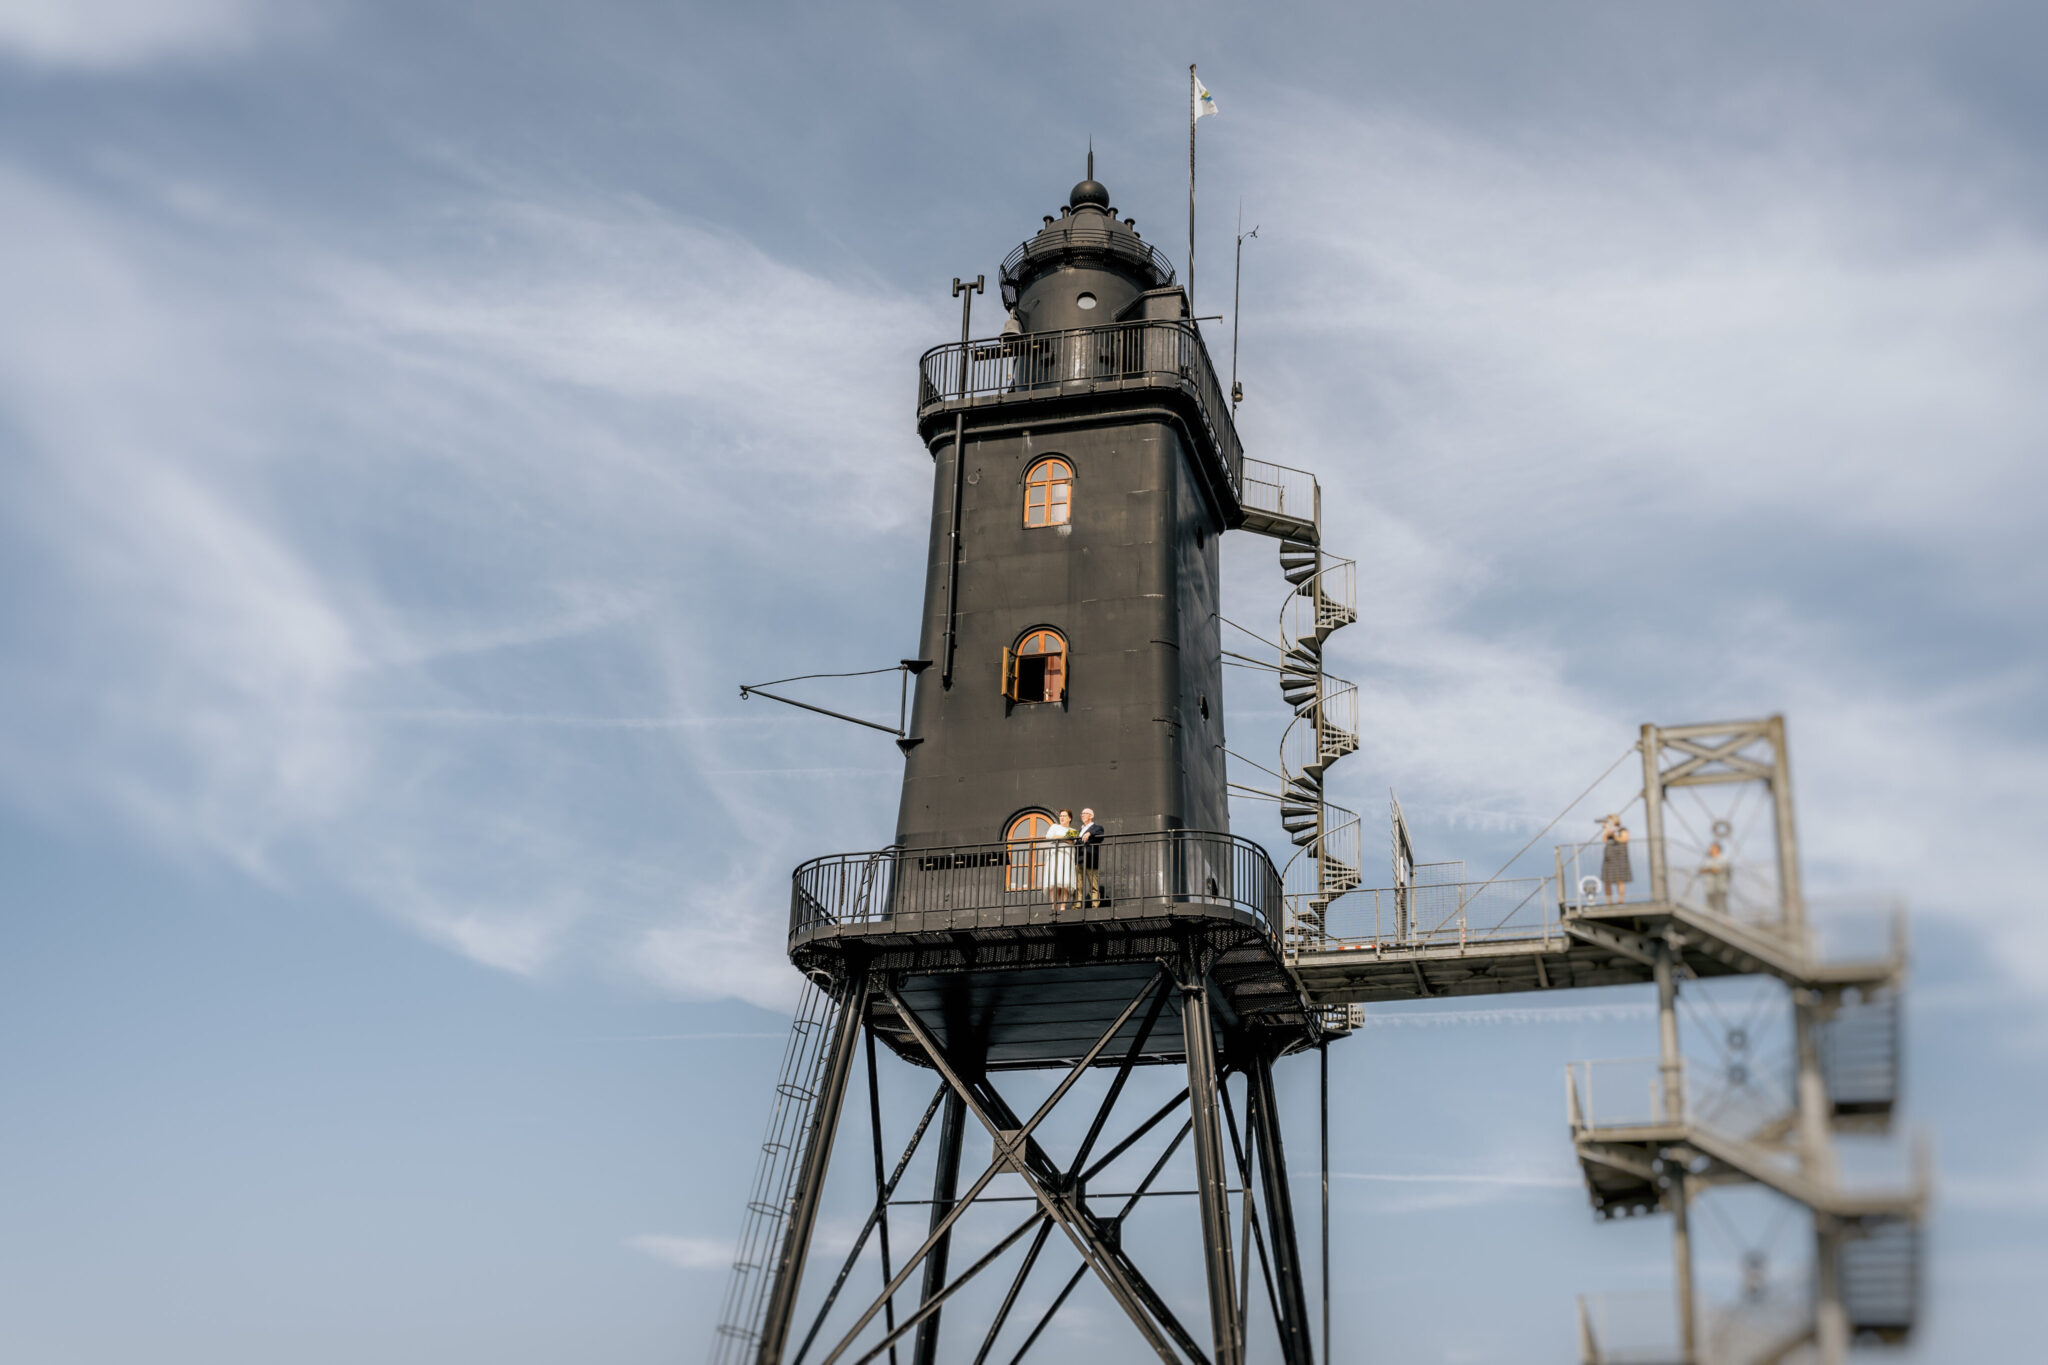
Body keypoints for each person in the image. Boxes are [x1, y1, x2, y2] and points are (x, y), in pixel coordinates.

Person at [1045, 808, 1080, 911]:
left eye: (1064, 816)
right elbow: (1049, 836)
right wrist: (1066, 839)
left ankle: (1063, 906)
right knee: (1054, 881)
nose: (1062, 818)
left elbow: (1073, 841)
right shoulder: (1054, 826)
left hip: (1067, 856)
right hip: (1055, 856)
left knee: (1065, 882)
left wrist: (1059, 837)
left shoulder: (1073, 831)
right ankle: (1054, 905)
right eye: (1060, 816)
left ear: (1069, 818)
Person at [1598, 814, 1632, 905]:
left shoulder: (1622, 830)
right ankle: (1608, 901)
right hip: (1609, 856)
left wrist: (1614, 835)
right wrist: (1606, 830)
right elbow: (1604, 840)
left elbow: (1624, 839)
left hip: (1620, 856)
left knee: (1620, 879)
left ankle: (1621, 900)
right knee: (1607, 880)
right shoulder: (1608, 830)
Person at [1076, 808, 1105, 907]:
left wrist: (1089, 833)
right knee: (1078, 885)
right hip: (1079, 859)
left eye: (1085, 813)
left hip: (1090, 859)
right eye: (1082, 813)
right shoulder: (1079, 830)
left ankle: (1095, 905)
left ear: (1091, 816)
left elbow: (1101, 834)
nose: (1082, 815)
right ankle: (1077, 905)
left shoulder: (1096, 827)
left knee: (1093, 885)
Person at [1700, 840, 1730, 915]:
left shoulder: (1723, 859)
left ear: (1717, 849)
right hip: (1710, 888)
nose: (1710, 850)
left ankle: (1726, 924)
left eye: (1712, 848)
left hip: (1720, 888)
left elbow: (1716, 870)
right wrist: (1708, 869)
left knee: (1722, 908)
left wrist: (1708, 869)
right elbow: (1702, 870)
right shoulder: (1708, 860)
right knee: (1711, 908)